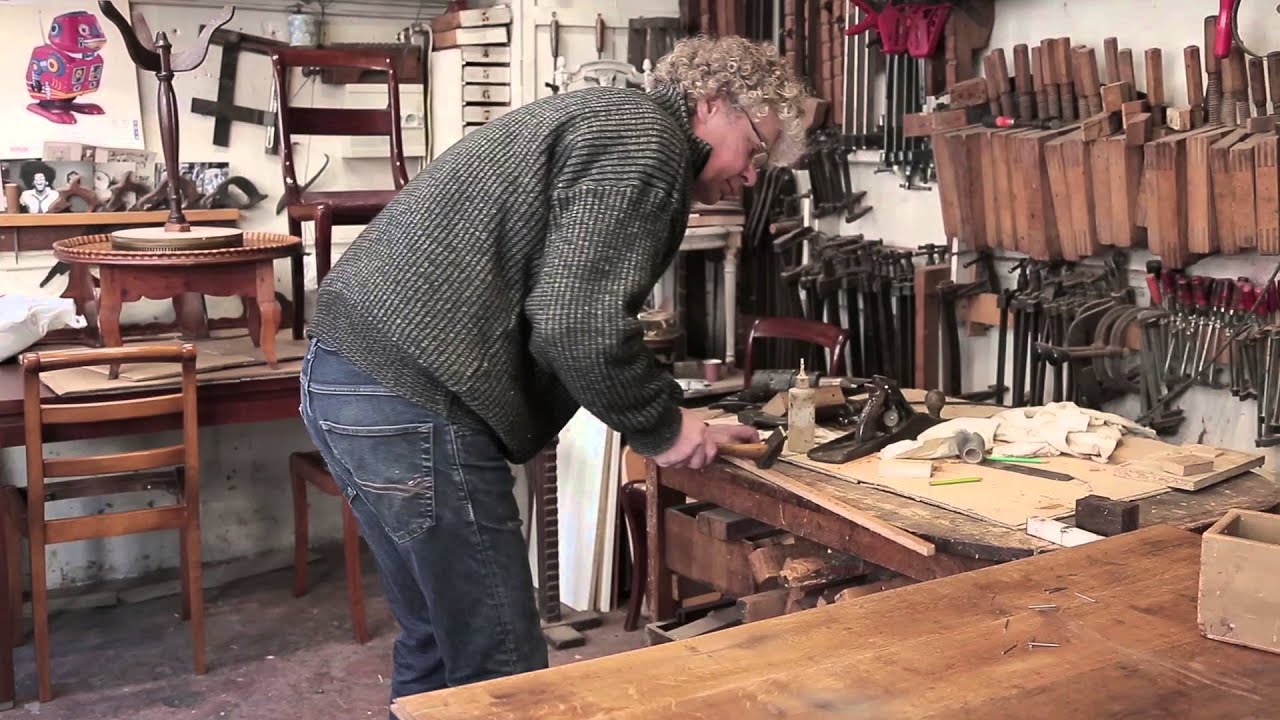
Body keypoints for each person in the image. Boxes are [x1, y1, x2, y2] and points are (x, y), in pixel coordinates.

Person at [298, 35, 808, 705]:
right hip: (411, 395)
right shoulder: (648, 141)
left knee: (436, 642)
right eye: (757, 150)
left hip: (349, 375)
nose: (752, 176)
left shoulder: (611, 122)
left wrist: (661, 409)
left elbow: (559, 308)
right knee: (503, 667)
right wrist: (663, 427)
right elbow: (576, 322)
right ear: (711, 104)